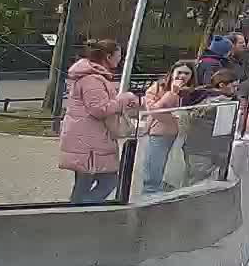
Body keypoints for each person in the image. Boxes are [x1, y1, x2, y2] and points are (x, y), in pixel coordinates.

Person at [56, 38, 139, 204]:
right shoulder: (92, 80)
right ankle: (79, 211)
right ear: (108, 56)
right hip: (89, 142)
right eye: (118, 55)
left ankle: (78, 211)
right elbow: (99, 109)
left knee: (87, 183)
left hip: (90, 139)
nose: (120, 59)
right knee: (104, 181)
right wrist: (124, 99)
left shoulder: (94, 77)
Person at [138, 60, 194, 195]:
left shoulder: (194, 91)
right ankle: (150, 193)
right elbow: (154, 109)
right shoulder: (158, 87)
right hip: (161, 131)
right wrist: (172, 93)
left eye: (186, 73)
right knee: (154, 165)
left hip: (186, 133)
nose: (182, 76)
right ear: (172, 73)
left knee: (178, 167)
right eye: (179, 72)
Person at [182, 70, 240, 185]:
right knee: (199, 184)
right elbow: (224, 129)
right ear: (222, 85)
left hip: (195, 147)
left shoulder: (203, 97)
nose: (236, 90)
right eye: (234, 86)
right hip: (206, 150)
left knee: (194, 181)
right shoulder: (223, 103)